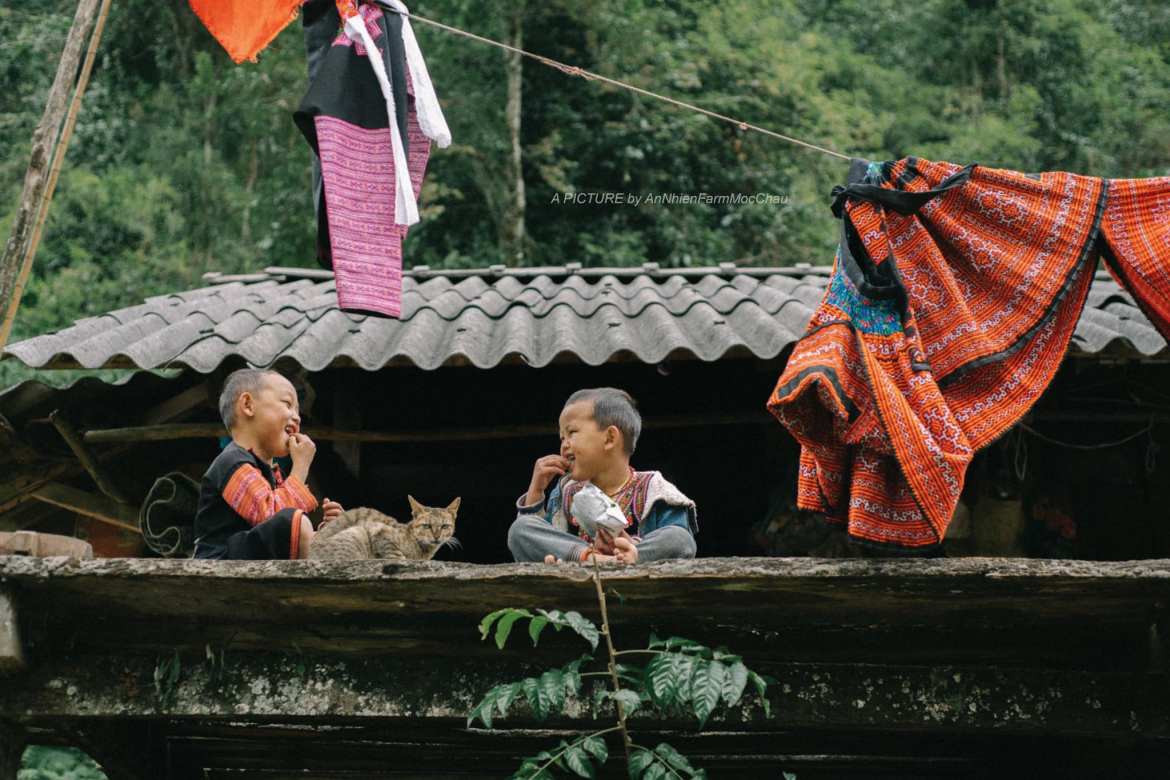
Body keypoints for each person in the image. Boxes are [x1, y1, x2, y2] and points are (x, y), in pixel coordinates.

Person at [507, 388, 697, 564]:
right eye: (562, 438)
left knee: (679, 536)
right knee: (520, 529)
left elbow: (681, 543)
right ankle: (588, 558)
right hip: (580, 574)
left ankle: (626, 557)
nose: (564, 445)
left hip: (637, 573)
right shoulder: (566, 490)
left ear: (610, 438)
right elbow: (537, 539)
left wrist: (635, 549)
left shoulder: (654, 487)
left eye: (571, 432)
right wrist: (536, 491)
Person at [193, 369, 343, 560]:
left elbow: (279, 534)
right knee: (289, 522)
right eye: (287, 404)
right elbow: (272, 517)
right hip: (217, 564)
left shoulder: (272, 472)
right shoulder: (231, 462)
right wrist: (301, 466)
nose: (297, 417)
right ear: (248, 405)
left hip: (248, 561)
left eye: (298, 411)